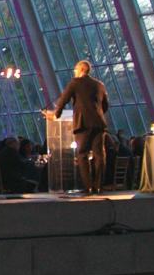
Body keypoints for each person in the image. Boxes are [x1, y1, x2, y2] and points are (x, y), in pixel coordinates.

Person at [47, 59, 109, 195]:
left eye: (75, 70)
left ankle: (88, 187)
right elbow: (105, 106)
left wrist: (56, 114)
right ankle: (99, 186)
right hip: (99, 124)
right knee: (99, 155)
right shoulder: (100, 85)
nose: (74, 72)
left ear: (81, 70)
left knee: (82, 155)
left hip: (83, 124)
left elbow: (64, 99)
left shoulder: (75, 83)